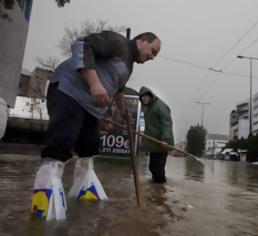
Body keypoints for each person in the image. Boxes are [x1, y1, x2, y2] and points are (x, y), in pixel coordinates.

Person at [31, 31, 161, 220]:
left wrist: (122, 113)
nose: (152, 57)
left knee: (89, 147)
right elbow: (81, 45)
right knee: (61, 142)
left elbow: (116, 90)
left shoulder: (128, 66)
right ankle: (46, 190)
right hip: (69, 91)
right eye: (153, 51)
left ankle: (83, 188)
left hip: (90, 108)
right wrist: (94, 83)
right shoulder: (117, 42)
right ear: (141, 41)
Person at [139, 87, 174, 184]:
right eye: (141, 98)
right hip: (154, 145)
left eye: (145, 96)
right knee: (152, 168)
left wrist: (165, 139)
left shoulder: (160, 106)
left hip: (162, 144)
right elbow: (150, 127)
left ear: (150, 95)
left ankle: (161, 191)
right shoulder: (149, 108)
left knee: (158, 170)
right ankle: (156, 188)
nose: (143, 99)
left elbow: (166, 123)